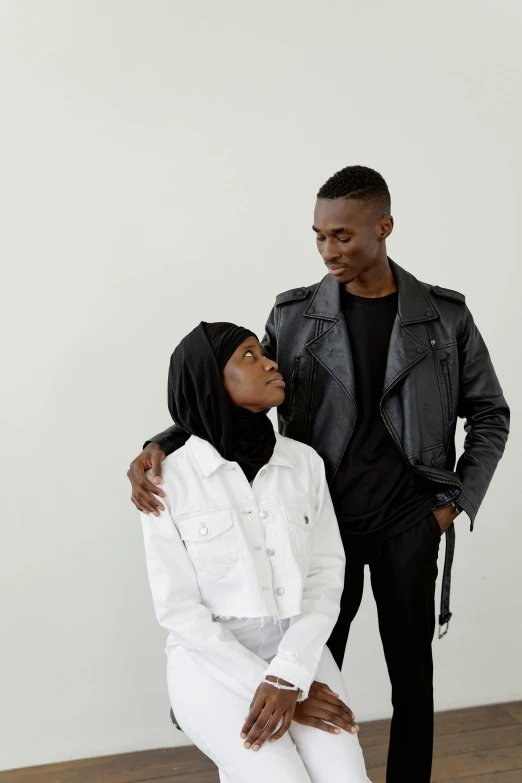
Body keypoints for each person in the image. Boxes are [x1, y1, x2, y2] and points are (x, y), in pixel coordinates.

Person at [129, 166, 509, 783]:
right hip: (315, 525)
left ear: (383, 228)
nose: (329, 251)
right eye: (319, 237)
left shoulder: (444, 318)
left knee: (411, 675)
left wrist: (453, 504)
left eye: (343, 236)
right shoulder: (297, 315)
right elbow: (235, 387)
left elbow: (490, 413)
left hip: (408, 523)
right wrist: (162, 442)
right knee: (307, 662)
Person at [139, 320, 370, 783]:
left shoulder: (304, 463)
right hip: (212, 666)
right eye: (248, 356)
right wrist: (274, 687)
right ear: (210, 380)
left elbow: (326, 575)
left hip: (297, 648)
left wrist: (290, 676)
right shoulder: (166, 481)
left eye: (264, 353)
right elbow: (179, 610)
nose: (270, 362)